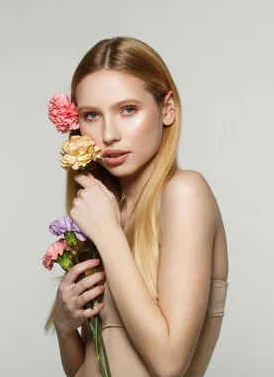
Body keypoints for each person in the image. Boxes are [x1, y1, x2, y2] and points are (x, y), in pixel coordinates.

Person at [44, 36, 229, 377]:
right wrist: (65, 325)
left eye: (128, 109)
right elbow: (88, 368)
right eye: (91, 115)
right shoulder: (109, 208)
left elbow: (169, 364)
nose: (109, 134)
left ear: (167, 109)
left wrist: (108, 233)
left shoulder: (184, 193)